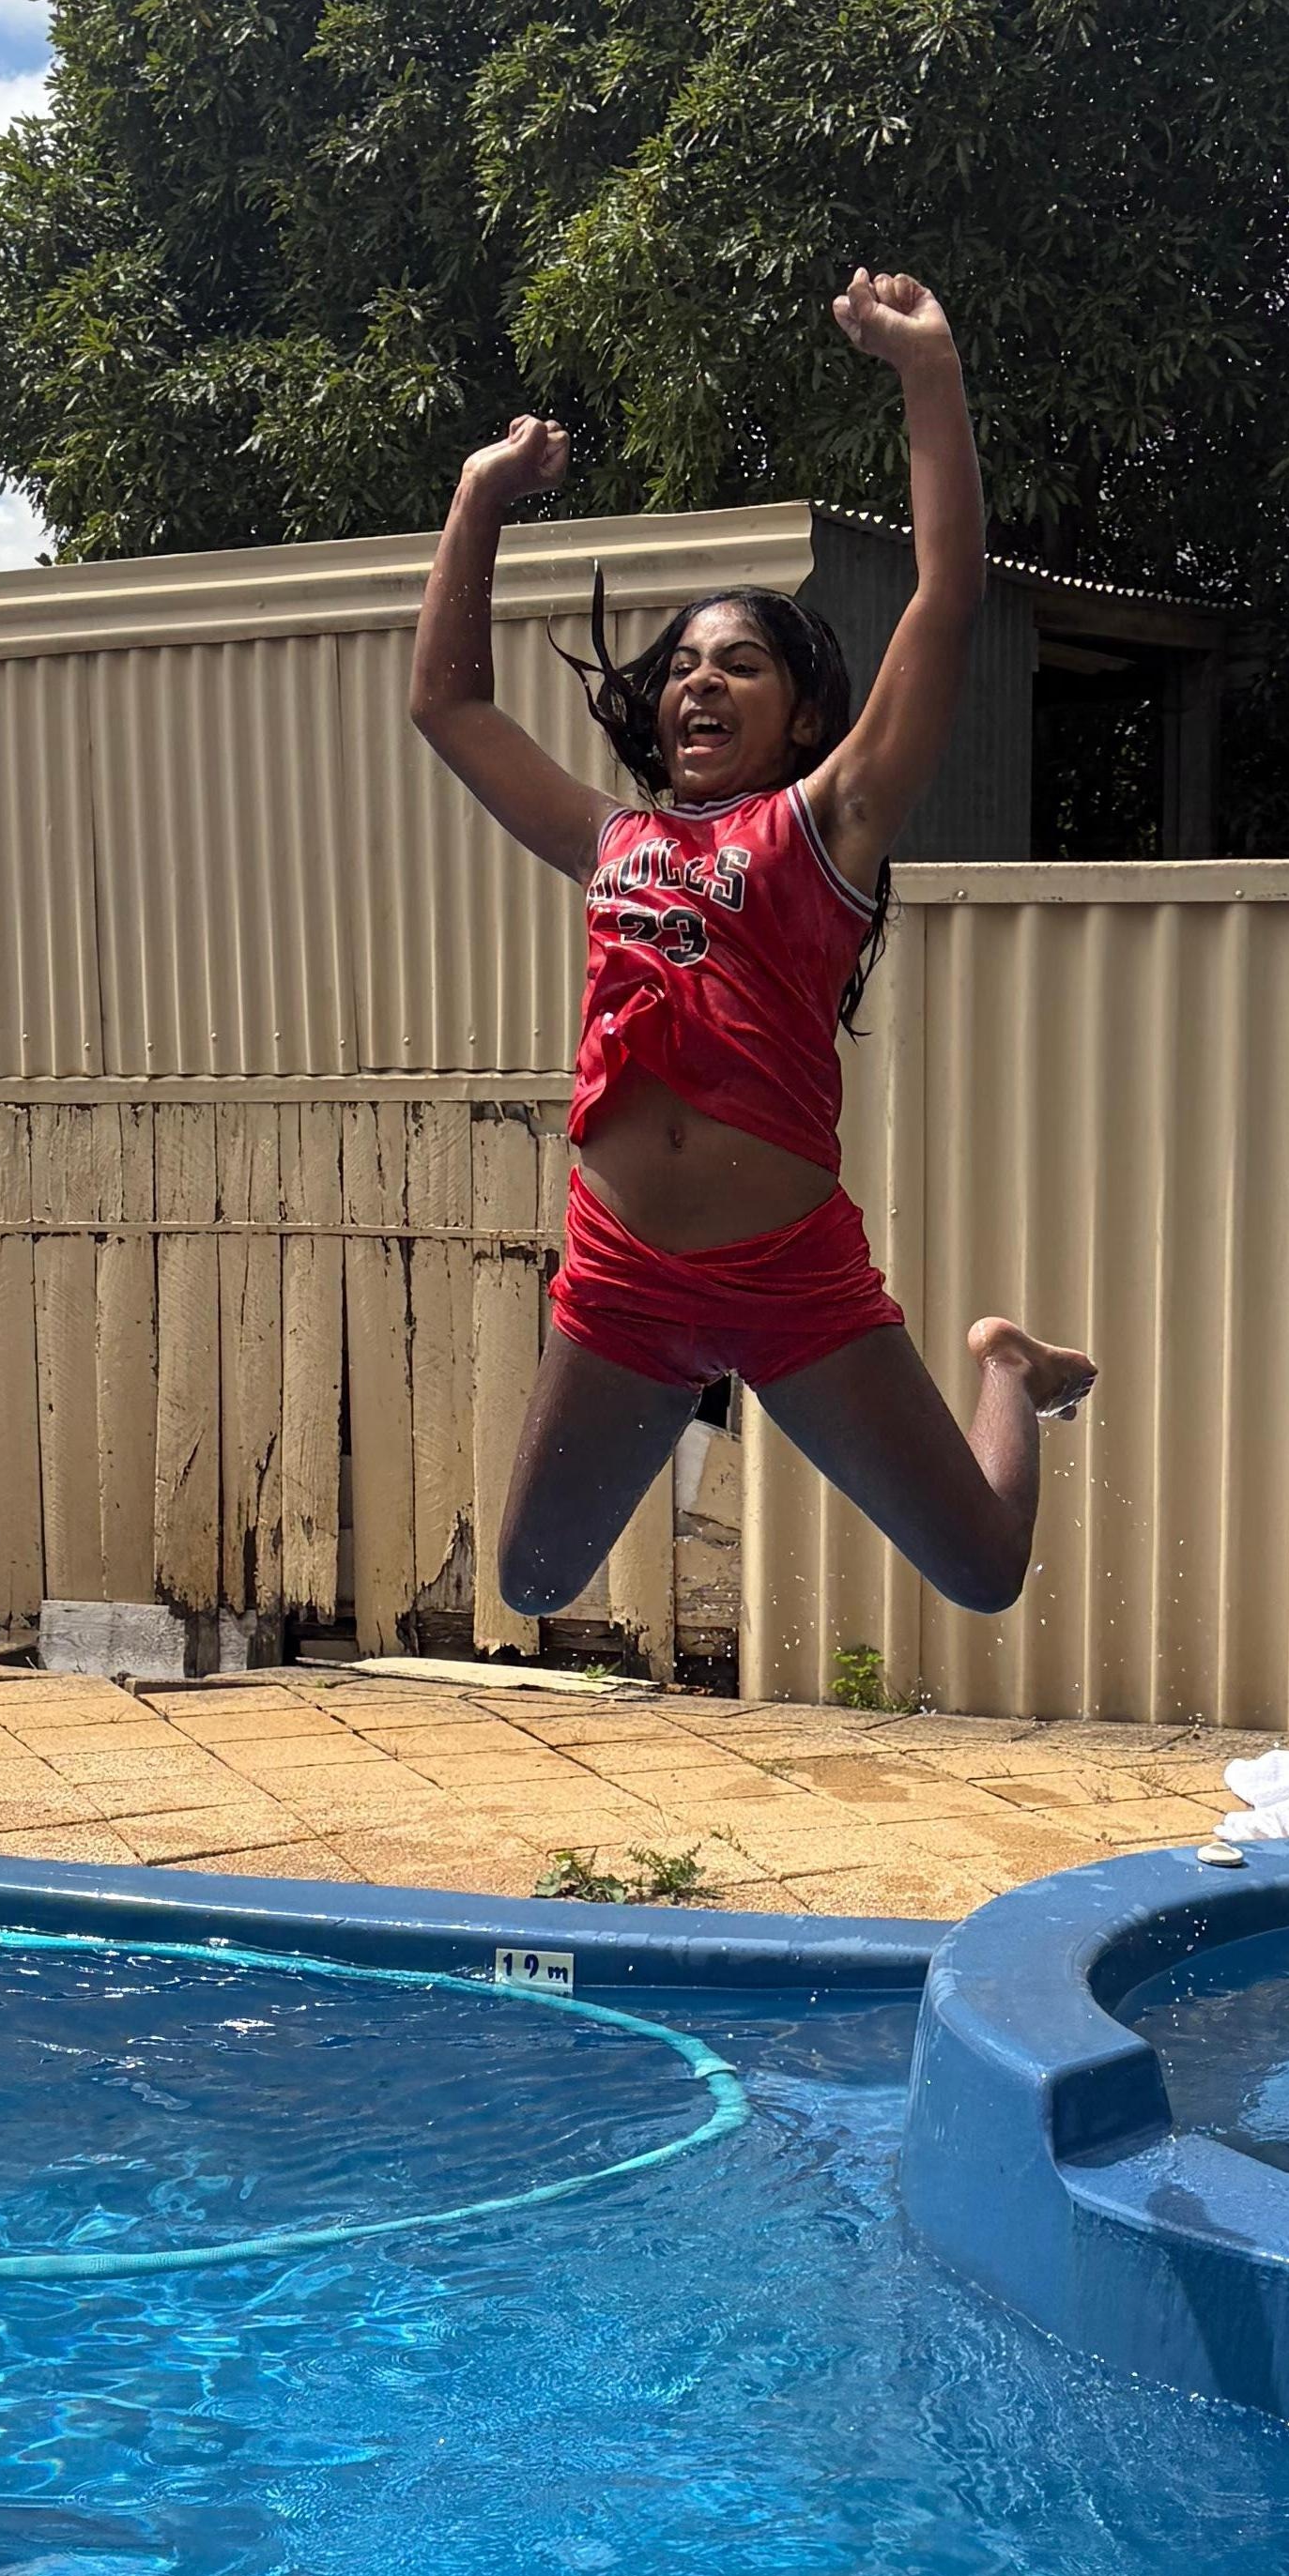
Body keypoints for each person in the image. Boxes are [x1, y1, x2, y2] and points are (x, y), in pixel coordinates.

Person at [406, 267, 1095, 1628]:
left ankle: (1008, 1372)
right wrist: (479, 495)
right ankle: (675, 1404)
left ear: (799, 720)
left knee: (982, 1572)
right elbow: (448, 703)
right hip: (622, 1282)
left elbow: (948, 596)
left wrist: (928, 373)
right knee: (534, 1580)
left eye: (742, 664)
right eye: (683, 668)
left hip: (792, 1286)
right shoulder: (610, 841)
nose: (701, 679)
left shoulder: (824, 827)